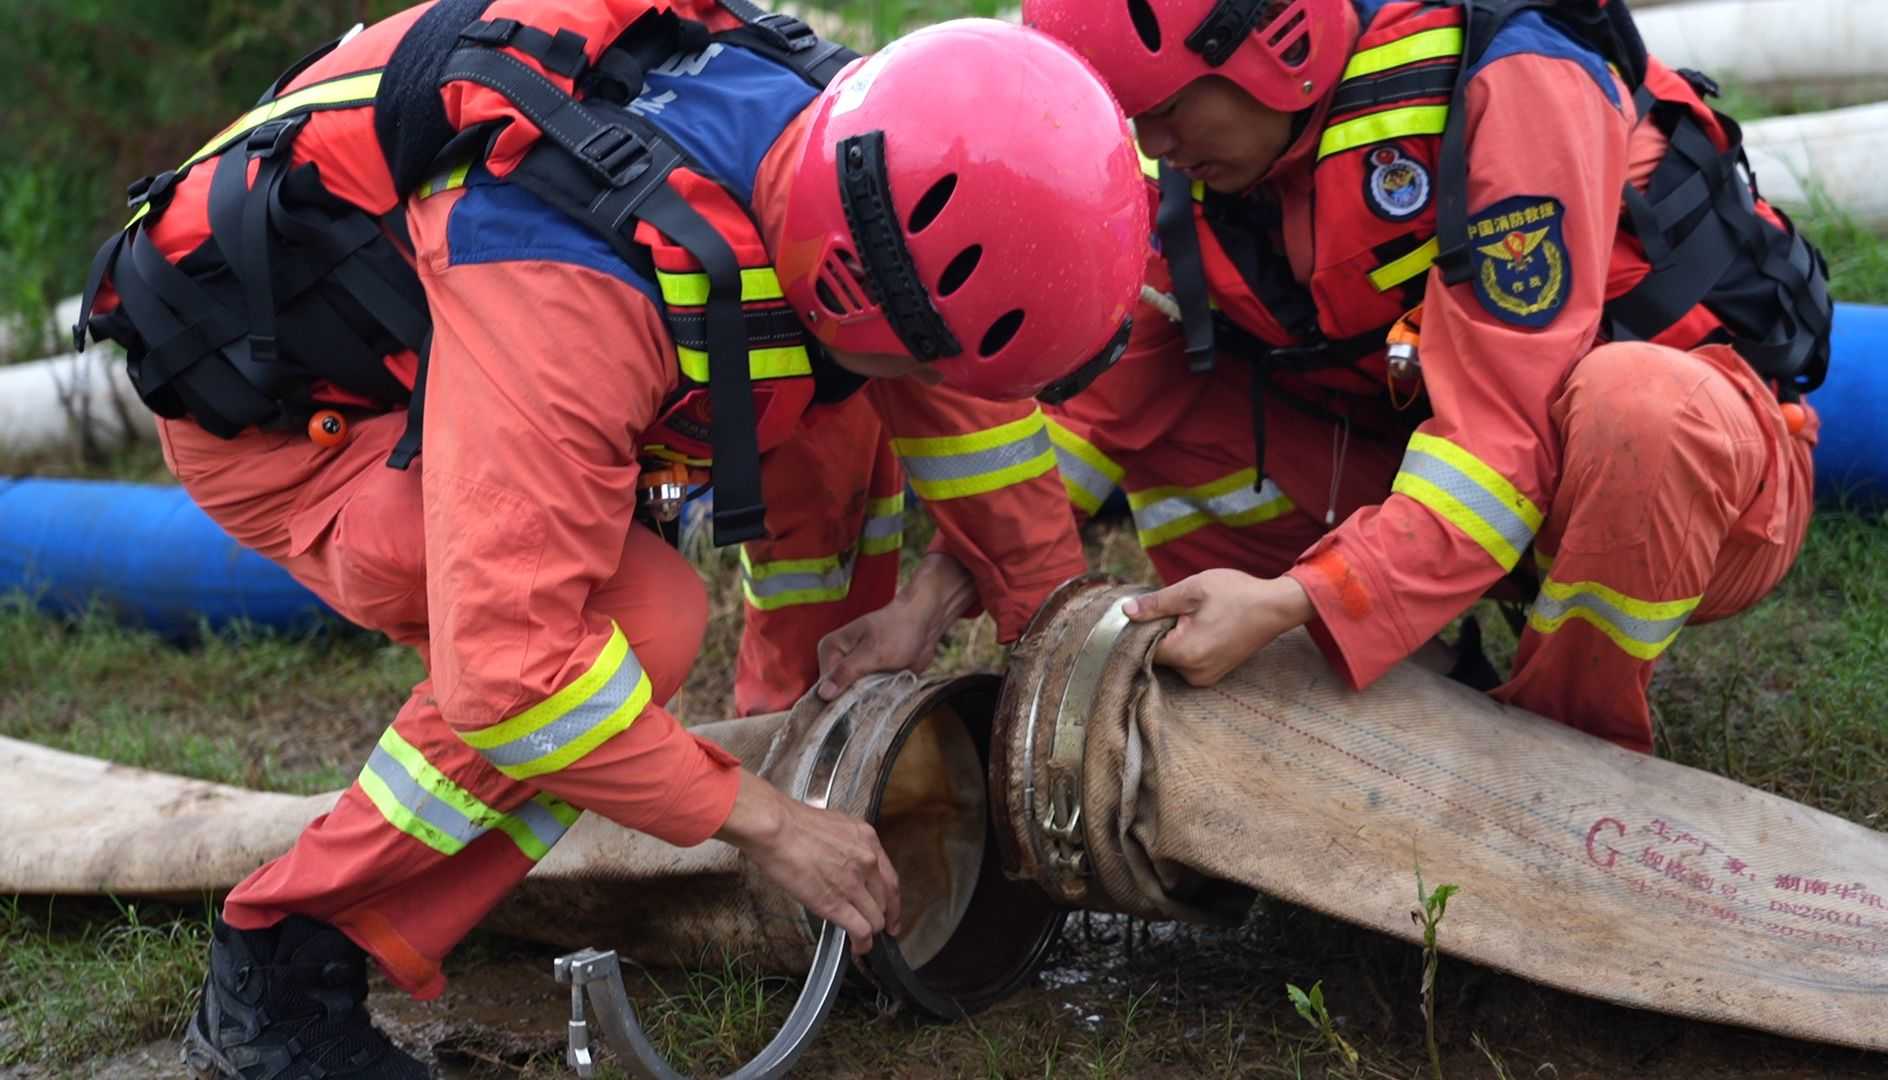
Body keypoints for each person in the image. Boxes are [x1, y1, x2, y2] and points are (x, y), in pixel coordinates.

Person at [75, 1, 1146, 1075]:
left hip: (480, 344)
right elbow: (514, 676)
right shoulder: (566, 288)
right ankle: (285, 961)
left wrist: (1037, 643)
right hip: (299, 428)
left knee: (844, 404)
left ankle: (793, 740)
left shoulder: (880, 156)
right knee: (635, 627)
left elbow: (973, 429)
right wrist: (766, 824)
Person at [1022, 0, 1831, 750]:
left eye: (1165, 109)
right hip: (1440, 449)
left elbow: (1502, 446)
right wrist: (986, 589)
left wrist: (1298, 598)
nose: (1154, 143)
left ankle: (1565, 756)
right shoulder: (1211, 153)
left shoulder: (1509, 79)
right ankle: (1404, 701)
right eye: (1135, 116)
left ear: (1273, 43)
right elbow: (1100, 397)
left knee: (1641, 411)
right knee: (1179, 417)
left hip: (1686, 480)